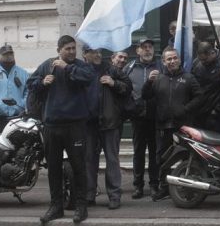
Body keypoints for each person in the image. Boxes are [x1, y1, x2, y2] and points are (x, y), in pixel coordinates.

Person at [28, 35, 95, 224]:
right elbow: (31, 86)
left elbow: (89, 78)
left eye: (73, 48)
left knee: (79, 167)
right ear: (59, 50)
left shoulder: (80, 66)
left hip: (75, 125)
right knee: (54, 169)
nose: (72, 52)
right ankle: (56, 206)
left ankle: (81, 206)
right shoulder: (47, 65)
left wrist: (68, 67)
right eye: (68, 49)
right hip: (52, 126)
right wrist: (42, 83)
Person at [144, 47, 203, 201]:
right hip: (163, 126)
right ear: (163, 61)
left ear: (179, 59)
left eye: (174, 58)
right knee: (162, 159)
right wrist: (148, 82)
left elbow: (200, 97)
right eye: (168, 59)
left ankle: (186, 188)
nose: (172, 61)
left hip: (183, 126)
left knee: (186, 157)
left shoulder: (189, 78)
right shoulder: (158, 79)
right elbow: (146, 96)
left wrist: (185, 109)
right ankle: (163, 188)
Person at [82, 45, 132, 210]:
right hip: (89, 124)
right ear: (85, 55)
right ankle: (89, 195)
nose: (97, 55)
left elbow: (127, 88)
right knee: (89, 161)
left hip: (110, 122)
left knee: (112, 160)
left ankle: (114, 196)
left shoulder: (111, 69)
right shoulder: (81, 71)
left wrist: (113, 83)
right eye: (93, 52)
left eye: (99, 52)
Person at [124, 37, 160, 199]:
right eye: (143, 47)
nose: (147, 50)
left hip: (156, 117)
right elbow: (123, 90)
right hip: (137, 118)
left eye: (150, 47)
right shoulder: (129, 68)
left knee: (155, 153)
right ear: (137, 50)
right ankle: (138, 186)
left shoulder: (161, 66)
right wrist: (130, 108)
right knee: (138, 153)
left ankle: (154, 185)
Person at [191, 42, 220, 134]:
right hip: (199, 109)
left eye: (205, 60)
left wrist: (218, 109)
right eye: (200, 59)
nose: (203, 62)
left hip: (215, 111)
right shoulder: (197, 63)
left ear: (212, 53)